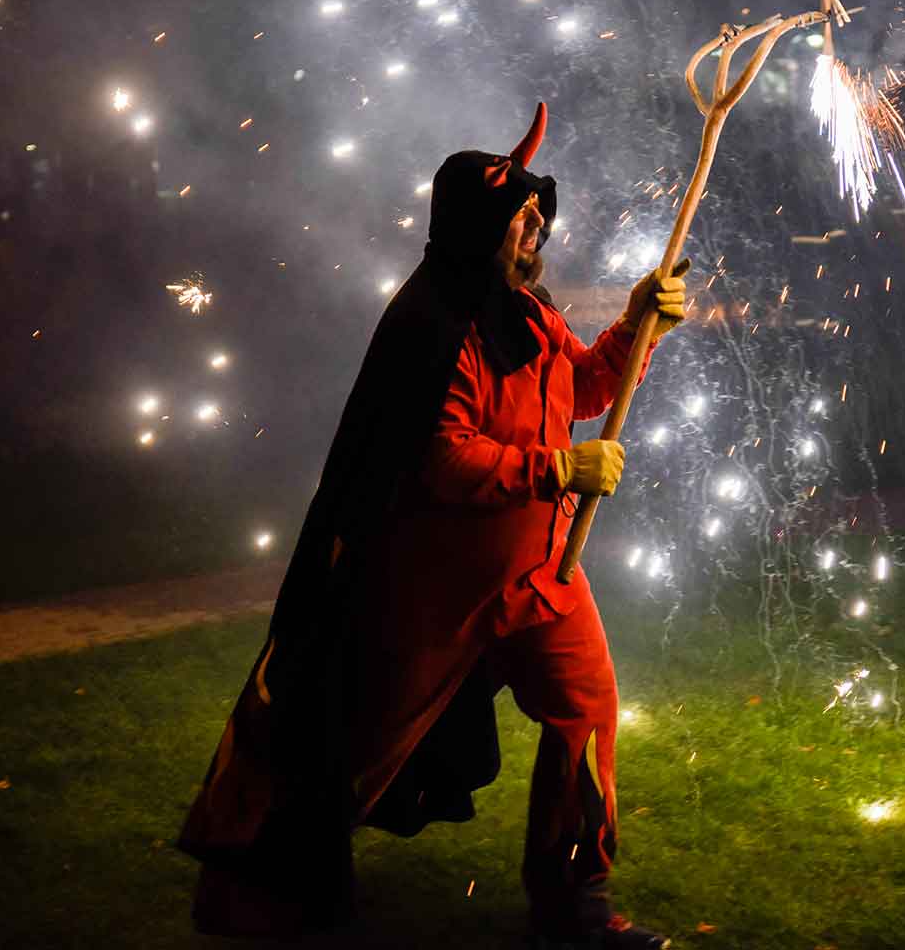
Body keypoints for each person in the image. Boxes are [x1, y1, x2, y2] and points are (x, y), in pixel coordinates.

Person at [179, 102, 687, 948]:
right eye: (519, 214)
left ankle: (573, 903)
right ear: (477, 224)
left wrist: (636, 326)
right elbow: (443, 458)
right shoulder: (433, 324)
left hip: (543, 576)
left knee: (586, 708)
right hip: (439, 592)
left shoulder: (530, 312)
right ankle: (258, 887)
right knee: (354, 743)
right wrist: (559, 469)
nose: (535, 226)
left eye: (538, 214)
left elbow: (582, 389)